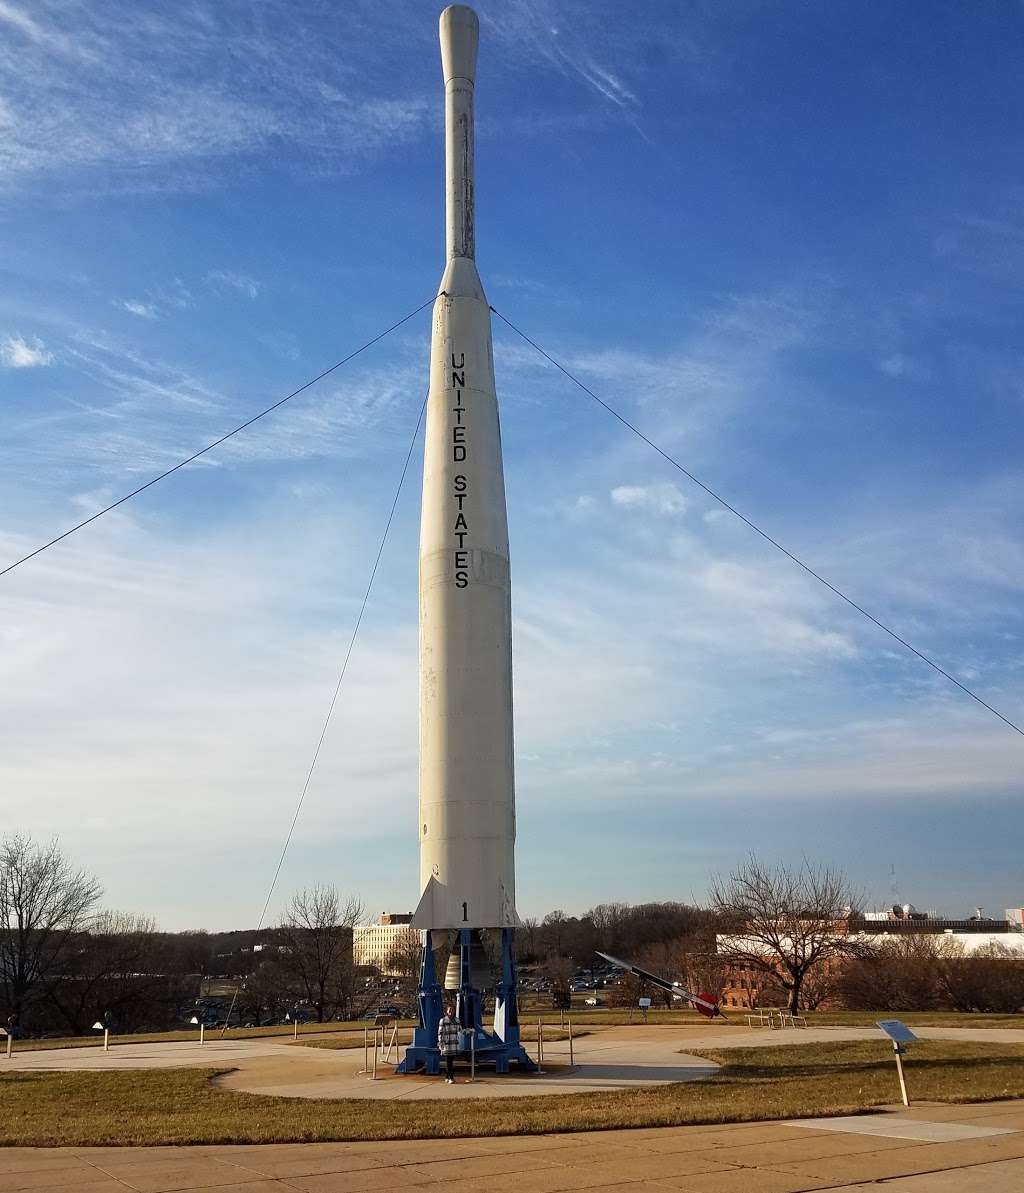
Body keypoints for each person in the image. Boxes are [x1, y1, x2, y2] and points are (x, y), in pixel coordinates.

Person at [437, 1001, 460, 1084]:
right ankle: (451, 1078)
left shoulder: (457, 1020)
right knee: (448, 1062)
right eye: (449, 1010)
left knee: (451, 1061)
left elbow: (459, 1030)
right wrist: (441, 1043)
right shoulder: (443, 1021)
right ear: (446, 1011)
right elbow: (440, 1033)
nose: (451, 1011)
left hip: (454, 1044)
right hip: (446, 1044)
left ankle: (447, 1077)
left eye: (452, 1010)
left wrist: (467, 1031)